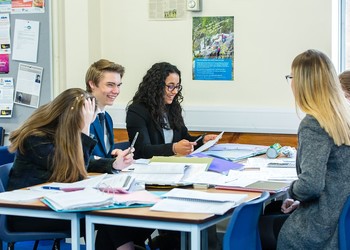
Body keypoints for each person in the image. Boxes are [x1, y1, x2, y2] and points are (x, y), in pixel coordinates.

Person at [275, 49, 350, 249]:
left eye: (291, 77)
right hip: (339, 223)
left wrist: (292, 192)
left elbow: (311, 184)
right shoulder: (343, 119)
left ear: (302, 82)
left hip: (320, 232)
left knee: (265, 226)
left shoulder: (314, 124)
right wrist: (303, 201)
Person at [126, 61, 217, 160]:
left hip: (173, 163)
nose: (175, 91)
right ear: (156, 86)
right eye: (170, 86)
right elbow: (142, 150)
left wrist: (202, 140)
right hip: (149, 167)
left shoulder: (173, 108)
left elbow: (185, 138)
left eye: (177, 86)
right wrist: (174, 148)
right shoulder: (137, 111)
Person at [86, 59, 131, 173]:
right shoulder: (82, 114)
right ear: (92, 84)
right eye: (110, 85)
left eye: (118, 85)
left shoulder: (107, 118)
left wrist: (115, 156)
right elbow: (81, 159)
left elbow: (99, 156)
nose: (116, 91)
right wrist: (112, 163)